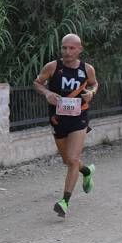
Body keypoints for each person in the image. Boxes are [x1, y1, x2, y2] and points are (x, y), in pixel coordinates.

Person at [33, 33, 98, 218]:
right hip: (57, 120)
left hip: (79, 119)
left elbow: (94, 84)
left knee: (73, 157)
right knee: (69, 161)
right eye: (64, 48)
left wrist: (91, 93)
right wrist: (46, 93)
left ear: (80, 49)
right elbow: (37, 83)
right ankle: (86, 171)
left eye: (71, 48)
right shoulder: (53, 67)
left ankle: (64, 202)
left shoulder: (87, 69)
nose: (67, 51)